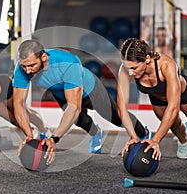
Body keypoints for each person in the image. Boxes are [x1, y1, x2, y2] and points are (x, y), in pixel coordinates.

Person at [12, 39, 150, 165]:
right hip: (61, 93)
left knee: (116, 118)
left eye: (31, 65)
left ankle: (143, 132)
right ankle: (96, 133)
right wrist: (29, 135)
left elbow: (74, 107)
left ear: (43, 57)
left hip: (91, 89)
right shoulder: (22, 68)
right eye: (24, 66)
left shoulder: (67, 62)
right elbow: (18, 104)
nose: (27, 70)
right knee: (80, 121)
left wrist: (54, 139)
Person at [117, 38, 187, 161]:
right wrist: (133, 137)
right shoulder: (125, 70)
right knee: (173, 123)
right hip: (158, 98)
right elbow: (122, 109)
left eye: (134, 68)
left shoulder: (166, 65)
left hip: (185, 94)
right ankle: (183, 141)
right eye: (127, 68)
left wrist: (156, 140)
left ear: (146, 59)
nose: (130, 73)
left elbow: (173, 107)